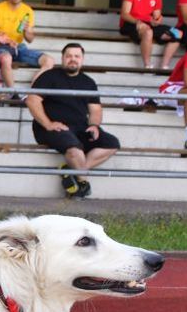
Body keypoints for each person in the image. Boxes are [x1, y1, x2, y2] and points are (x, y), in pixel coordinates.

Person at [26, 43, 119, 199]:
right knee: (74, 149)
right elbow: (32, 100)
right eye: (68, 56)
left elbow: (95, 110)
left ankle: (70, 171)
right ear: (62, 58)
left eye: (77, 56)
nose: (72, 59)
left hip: (80, 128)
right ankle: (82, 184)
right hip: (50, 128)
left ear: (82, 59)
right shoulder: (49, 76)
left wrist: (94, 125)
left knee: (111, 143)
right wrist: (48, 124)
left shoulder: (88, 82)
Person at [0, 0, 55, 89]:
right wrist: (5, 40)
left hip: (19, 48)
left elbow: (30, 39)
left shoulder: (27, 11)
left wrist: (27, 31)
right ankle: (12, 92)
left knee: (49, 61)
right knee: (6, 58)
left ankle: (32, 90)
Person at [119, 0, 179, 71]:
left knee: (177, 34)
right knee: (148, 32)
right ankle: (147, 66)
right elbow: (124, 14)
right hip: (130, 23)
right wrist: (138, 22)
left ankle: (164, 67)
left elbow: (157, 16)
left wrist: (158, 19)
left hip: (148, 24)